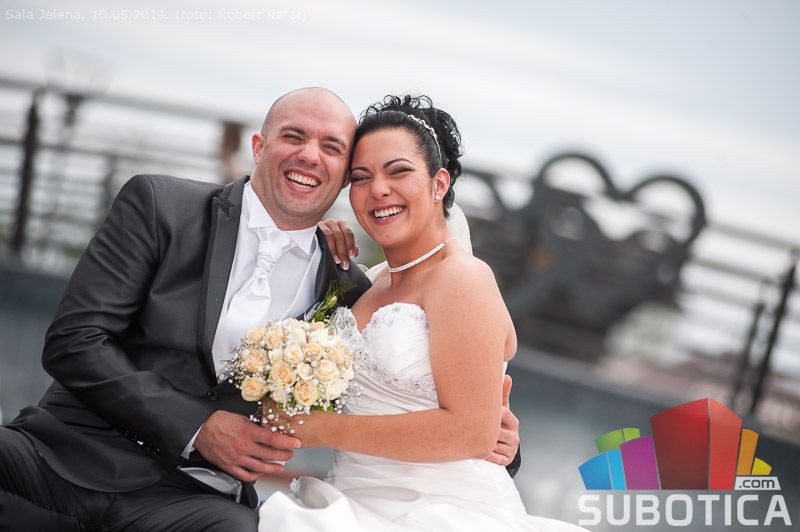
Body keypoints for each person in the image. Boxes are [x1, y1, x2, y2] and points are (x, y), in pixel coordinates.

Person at [0, 88, 520, 531]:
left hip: (197, 499)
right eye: (294, 137)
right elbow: (74, 341)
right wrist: (199, 427)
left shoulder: (346, 286)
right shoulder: (164, 207)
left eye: (332, 149)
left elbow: (451, 408)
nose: (311, 156)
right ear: (259, 146)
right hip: (63, 456)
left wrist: (502, 443)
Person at [257, 95, 587, 531]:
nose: (378, 189)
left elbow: (471, 432)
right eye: (362, 177)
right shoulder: (367, 283)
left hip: (434, 510)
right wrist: (316, 237)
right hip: (350, 494)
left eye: (398, 171)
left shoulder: (463, 278)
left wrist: (318, 429)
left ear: (439, 184)